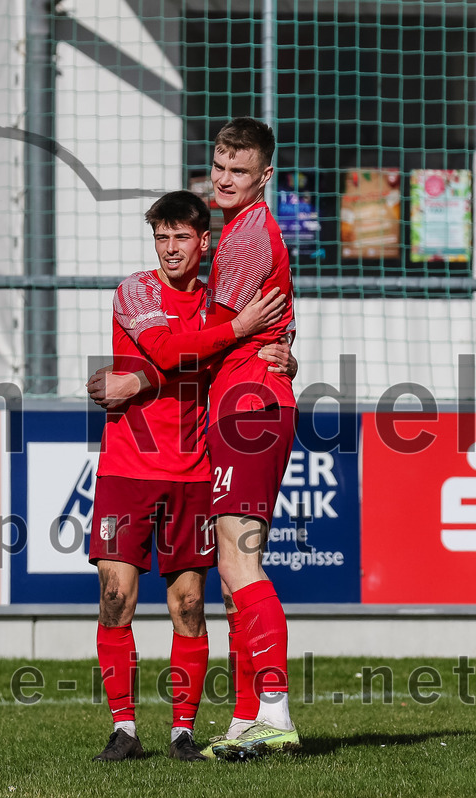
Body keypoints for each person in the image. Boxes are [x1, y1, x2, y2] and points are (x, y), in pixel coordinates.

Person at [85, 190, 291, 762]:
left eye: (181, 238)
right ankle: (124, 728)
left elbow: (244, 353)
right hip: (128, 468)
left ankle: (182, 732)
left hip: (195, 471)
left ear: (204, 242)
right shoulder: (137, 290)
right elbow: (167, 349)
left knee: (190, 606)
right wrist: (234, 332)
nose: (170, 249)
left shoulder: (220, 304)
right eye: (161, 237)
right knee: (114, 597)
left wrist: (282, 355)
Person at [196, 117, 300, 760]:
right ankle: (245, 721)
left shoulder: (248, 235)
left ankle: (275, 712)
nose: (224, 179)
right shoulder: (240, 230)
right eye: (218, 167)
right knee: (233, 574)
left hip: (249, 407)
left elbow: (217, 330)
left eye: (239, 171)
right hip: (249, 400)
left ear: (264, 177)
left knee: (240, 564)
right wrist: (282, 350)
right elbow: (273, 323)